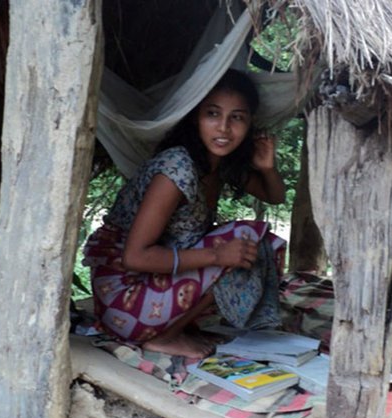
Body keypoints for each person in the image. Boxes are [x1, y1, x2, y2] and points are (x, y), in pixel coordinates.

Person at [83, 69, 287, 358]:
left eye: (237, 117)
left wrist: (267, 168)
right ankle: (164, 337)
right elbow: (135, 257)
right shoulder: (177, 169)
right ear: (196, 116)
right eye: (213, 114)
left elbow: (274, 196)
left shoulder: (221, 164)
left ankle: (177, 326)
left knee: (257, 246)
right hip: (124, 302)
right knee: (240, 238)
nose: (224, 128)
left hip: (148, 298)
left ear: (250, 122)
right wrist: (218, 256)